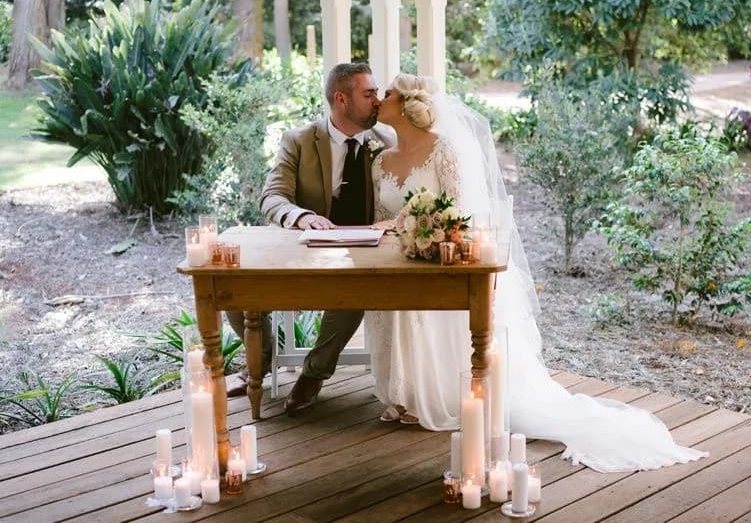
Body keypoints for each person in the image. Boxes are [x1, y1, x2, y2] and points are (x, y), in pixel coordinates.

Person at [365, 73, 708, 472]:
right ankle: (405, 397)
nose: (379, 100)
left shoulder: (443, 150)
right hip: (398, 261)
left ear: (407, 105)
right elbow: (380, 219)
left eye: (386, 94)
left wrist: (428, 233)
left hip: (440, 259)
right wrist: (400, 232)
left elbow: (460, 213)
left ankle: (439, 396)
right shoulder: (380, 161)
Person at [225, 63, 393, 415]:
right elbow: (271, 197)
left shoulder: (386, 142)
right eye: (369, 93)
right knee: (235, 294)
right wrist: (301, 217)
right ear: (341, 99)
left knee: (354, 295)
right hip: (303, 250)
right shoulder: (299, 140)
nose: (378, 100)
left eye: (377, 92)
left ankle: (314, 374)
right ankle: (262, 356)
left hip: (361, 254)